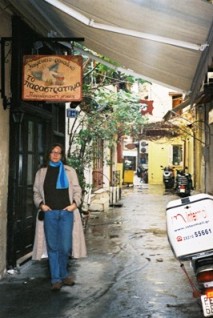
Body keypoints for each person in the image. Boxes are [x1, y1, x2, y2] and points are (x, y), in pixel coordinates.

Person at [33, 143, 86, 291]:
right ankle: (56, 278)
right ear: (48, 154)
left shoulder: (69, 171)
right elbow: (36, 192)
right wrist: (42, 205)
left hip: (66, 213)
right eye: (53, 152)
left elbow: (77, 190)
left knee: (65, 246)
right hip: (49, 213)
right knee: (52, 246)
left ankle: (63, 273)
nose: (56, 155)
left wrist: (74, 204)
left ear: (62, 156)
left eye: (58, 153)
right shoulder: (41, 172)